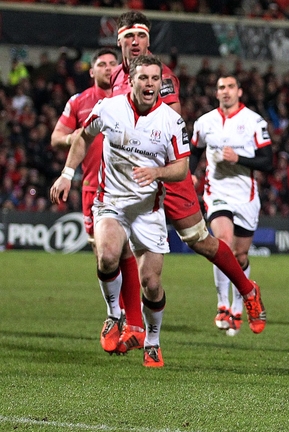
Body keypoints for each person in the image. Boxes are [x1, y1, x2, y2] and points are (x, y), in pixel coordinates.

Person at [111, 11, 266, 334]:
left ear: (149, 41)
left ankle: (248, 290)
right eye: (129, 36)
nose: (135, 42)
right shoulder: (115, 78)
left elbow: (173, 120)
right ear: (119, 41)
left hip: (164, 172)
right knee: (117, 246)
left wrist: (164, 169)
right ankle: (129, 324)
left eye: (140, 36)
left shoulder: (159, 76)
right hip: (130, 178)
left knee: (201, 241)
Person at [50, 55, 189, 367]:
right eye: (143, 78)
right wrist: (66, 174)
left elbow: (181, 169)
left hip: (148, 210)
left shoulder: (171, 121)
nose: (150, 84)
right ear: (133, 80)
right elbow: (83, 136)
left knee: (151, 284)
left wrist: (158, 174)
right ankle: (114, 313)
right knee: (108, 254)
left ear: (160, 83)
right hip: (111, 200)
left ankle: (152, 341)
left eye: (155, 79)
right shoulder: (109, 108)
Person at [50, 48, 148, 354]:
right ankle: (120, 316)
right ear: (92, 71)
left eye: (111, 64)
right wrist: (77, 136)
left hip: (130, 189)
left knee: (123, 251)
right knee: (105, 256)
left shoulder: (128, 98)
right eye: (101, 65)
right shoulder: (80, 102)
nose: (107, 68)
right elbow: (56, 138)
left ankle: (128, 321)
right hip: (94, 187)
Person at [191, 75, 273, 336]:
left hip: (246, 197)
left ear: (239, 91)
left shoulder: (254, 121)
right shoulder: (205, 122)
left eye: (230, 87)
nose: (225, 92)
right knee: (222, 243)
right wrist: (191, 173)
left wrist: (240, 158)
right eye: (220, 88)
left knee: (239, 256)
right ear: (216, 93)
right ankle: (222, 304)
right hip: (217, 193)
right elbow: (194, 150)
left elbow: (267, 162)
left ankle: (240, 304)